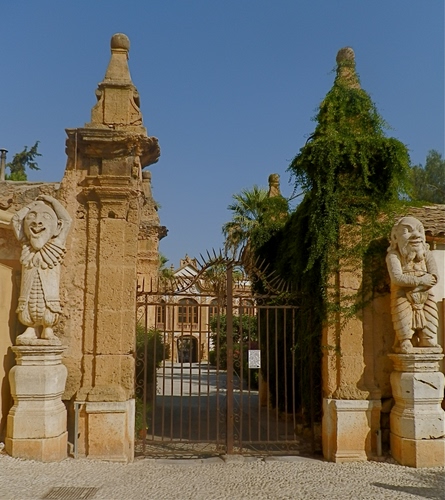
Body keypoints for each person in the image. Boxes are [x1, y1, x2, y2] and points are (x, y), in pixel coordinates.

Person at [11, 195, 72, 343]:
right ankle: (31, 328)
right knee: (26, 304)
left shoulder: (56, 244)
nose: (37, 222)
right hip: (29, 297)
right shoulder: (26, 244)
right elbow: (16, 220)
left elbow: (67, 220)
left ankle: (47, 328)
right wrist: (31, 205)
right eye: (32, 216)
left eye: (46, 217)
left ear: (57, 228)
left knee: (50, 306)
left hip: (49, 297)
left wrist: (52, 202)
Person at [386, 216, 439, 353]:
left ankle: (427, 337)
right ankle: (405, 340)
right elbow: (397, 278)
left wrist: (420, 287)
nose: (416, 235)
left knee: (430, 314)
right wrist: (420, 281)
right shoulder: (393, 256)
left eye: (419, 230)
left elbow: (434, 276)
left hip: (425, 292)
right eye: (407, 231)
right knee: (402, 315)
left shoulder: (427, 254)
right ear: (395, 237)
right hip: (402, 292)